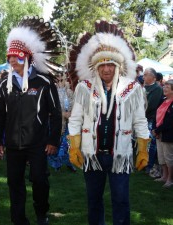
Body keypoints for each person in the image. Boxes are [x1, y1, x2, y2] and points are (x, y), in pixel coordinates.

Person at [67, 20, 150, 225]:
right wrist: (74, 145)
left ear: (117, 66)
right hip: (92, 155)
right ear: (96, 67)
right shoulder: (84, 88)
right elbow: (75, 118)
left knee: (121, 200)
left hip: (120, 155)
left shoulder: (132, 89)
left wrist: (143, 147)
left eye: (110, 64)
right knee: (94, 200)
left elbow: (140, 120)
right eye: (102, 64)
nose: (106, 69)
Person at [0, 16, 62, 225]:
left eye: (17, 56)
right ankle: (19, 219)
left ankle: (42, 213)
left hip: (38, 143)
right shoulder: (5, 84)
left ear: (27, 57)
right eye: (10, 57)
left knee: (40, 180)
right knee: (14, 183)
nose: (12, 60)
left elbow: (56, 113)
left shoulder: (43, 82)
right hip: (13, 145)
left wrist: (53, 140)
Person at [48, 73, 76, 172]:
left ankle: (68, 163)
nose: (60, 81)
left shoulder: (69, 92)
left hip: (68, 124)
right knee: (56, 143)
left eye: (62, 79)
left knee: (66, 145)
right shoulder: (51, 91)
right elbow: (48, 109)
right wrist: (61, 113)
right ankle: (57, 164)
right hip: (55, 123)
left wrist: (71, 113)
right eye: (58, 79)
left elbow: (74, 105)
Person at [153, 79, 173, 188]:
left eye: (167, 87)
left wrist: (157, 130)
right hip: (159, 133)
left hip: (168, 134)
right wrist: (155, 129)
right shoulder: (163, 100)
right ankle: (164, 176)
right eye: (164, 86)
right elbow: (157, 115)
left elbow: (170, 121)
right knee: (161, 157)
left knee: (169, 157)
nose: (164, 88)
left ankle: (170, 179)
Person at [143, 68, 163, 174]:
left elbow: (151, 105)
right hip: (143, 119)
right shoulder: (143, 87)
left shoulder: (157, 88)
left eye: (146, 74)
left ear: (153, 77)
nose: (143, 76)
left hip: (151, 119)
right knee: (141, 142)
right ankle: (142, 162)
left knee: (151, 144)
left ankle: (149, 165)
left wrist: (139, 112)